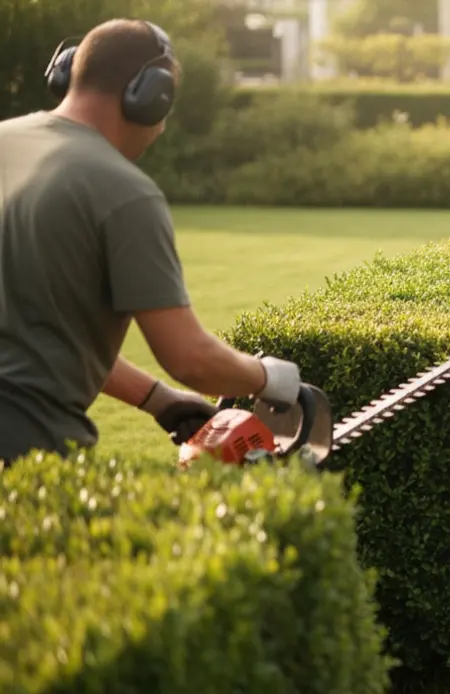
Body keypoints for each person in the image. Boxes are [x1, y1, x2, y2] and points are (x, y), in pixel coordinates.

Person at [0, 19, 304, 466]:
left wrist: (158, 399)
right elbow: (189, 358)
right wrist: (271, 378)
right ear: (148, 96)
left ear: (66, 72)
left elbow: (42, 335)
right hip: (25, 449)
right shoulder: (123, 192)